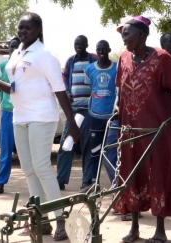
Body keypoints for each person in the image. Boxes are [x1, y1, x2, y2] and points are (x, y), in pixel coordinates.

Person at [0, 12, 80, 240]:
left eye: (27, 28)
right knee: (29, 170)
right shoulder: (16, 53)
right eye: (20, 28)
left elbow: (60, 91)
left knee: (42, 168)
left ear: (38, 30)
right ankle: (41, 220)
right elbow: (15, 88)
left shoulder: (46, 55)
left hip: (42, 117)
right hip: (19, 116)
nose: (22, 32)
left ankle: (60, 221)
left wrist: (71, 123)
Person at [114, 16, 171, 243]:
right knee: (131, 173)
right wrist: (117, 105)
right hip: (130, 129)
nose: (123, 38)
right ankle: (134, 227)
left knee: (159, 174)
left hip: (158, 129)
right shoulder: (124, 58)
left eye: (127, 33)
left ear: (142, 35)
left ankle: (160, 230)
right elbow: (120, 88)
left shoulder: (162, 58)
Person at [56, 35, 98, 191]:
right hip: (73, 110)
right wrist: (67, 91)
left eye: (81, 44)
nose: (78, 46)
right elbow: (65, 77)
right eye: (76, 44)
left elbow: (98, 76)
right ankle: (60, 179)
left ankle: (87, 181)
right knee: (66, 145)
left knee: (87, 146)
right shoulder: (70, 61)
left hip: (88, 110)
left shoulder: (93, 59)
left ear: (86, 45)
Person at [84, 40, 117, 191]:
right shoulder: (89, 69)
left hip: (112, 116)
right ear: (96, 51)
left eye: (104, 49)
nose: (102, 51)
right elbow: (90, 88)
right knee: (95, 151)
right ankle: (93, 182)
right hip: (95, 115)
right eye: (99, 49)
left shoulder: (116, 68)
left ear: (109, 49)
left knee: (112, 152)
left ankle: (116, 183)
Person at [0, 37, 20, 194]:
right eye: (12, 47)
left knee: (30, 153)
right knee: (5, 150)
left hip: (25, 113)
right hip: (7, 114)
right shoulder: (2, 67)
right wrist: (3, 103)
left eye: (17, 47)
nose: (14, 49)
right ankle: (0, 182)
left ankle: (36, 189)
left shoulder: (26, 66)